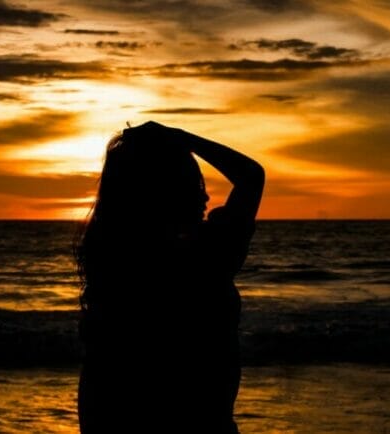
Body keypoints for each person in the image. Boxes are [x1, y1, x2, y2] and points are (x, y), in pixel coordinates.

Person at [75, 121, 264, 433]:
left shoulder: (114, 261)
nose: (206, 198)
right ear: (166, 194)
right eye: (196, 187)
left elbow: (98, 376)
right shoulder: (207, 257)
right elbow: (251, 176)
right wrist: (181, 137)